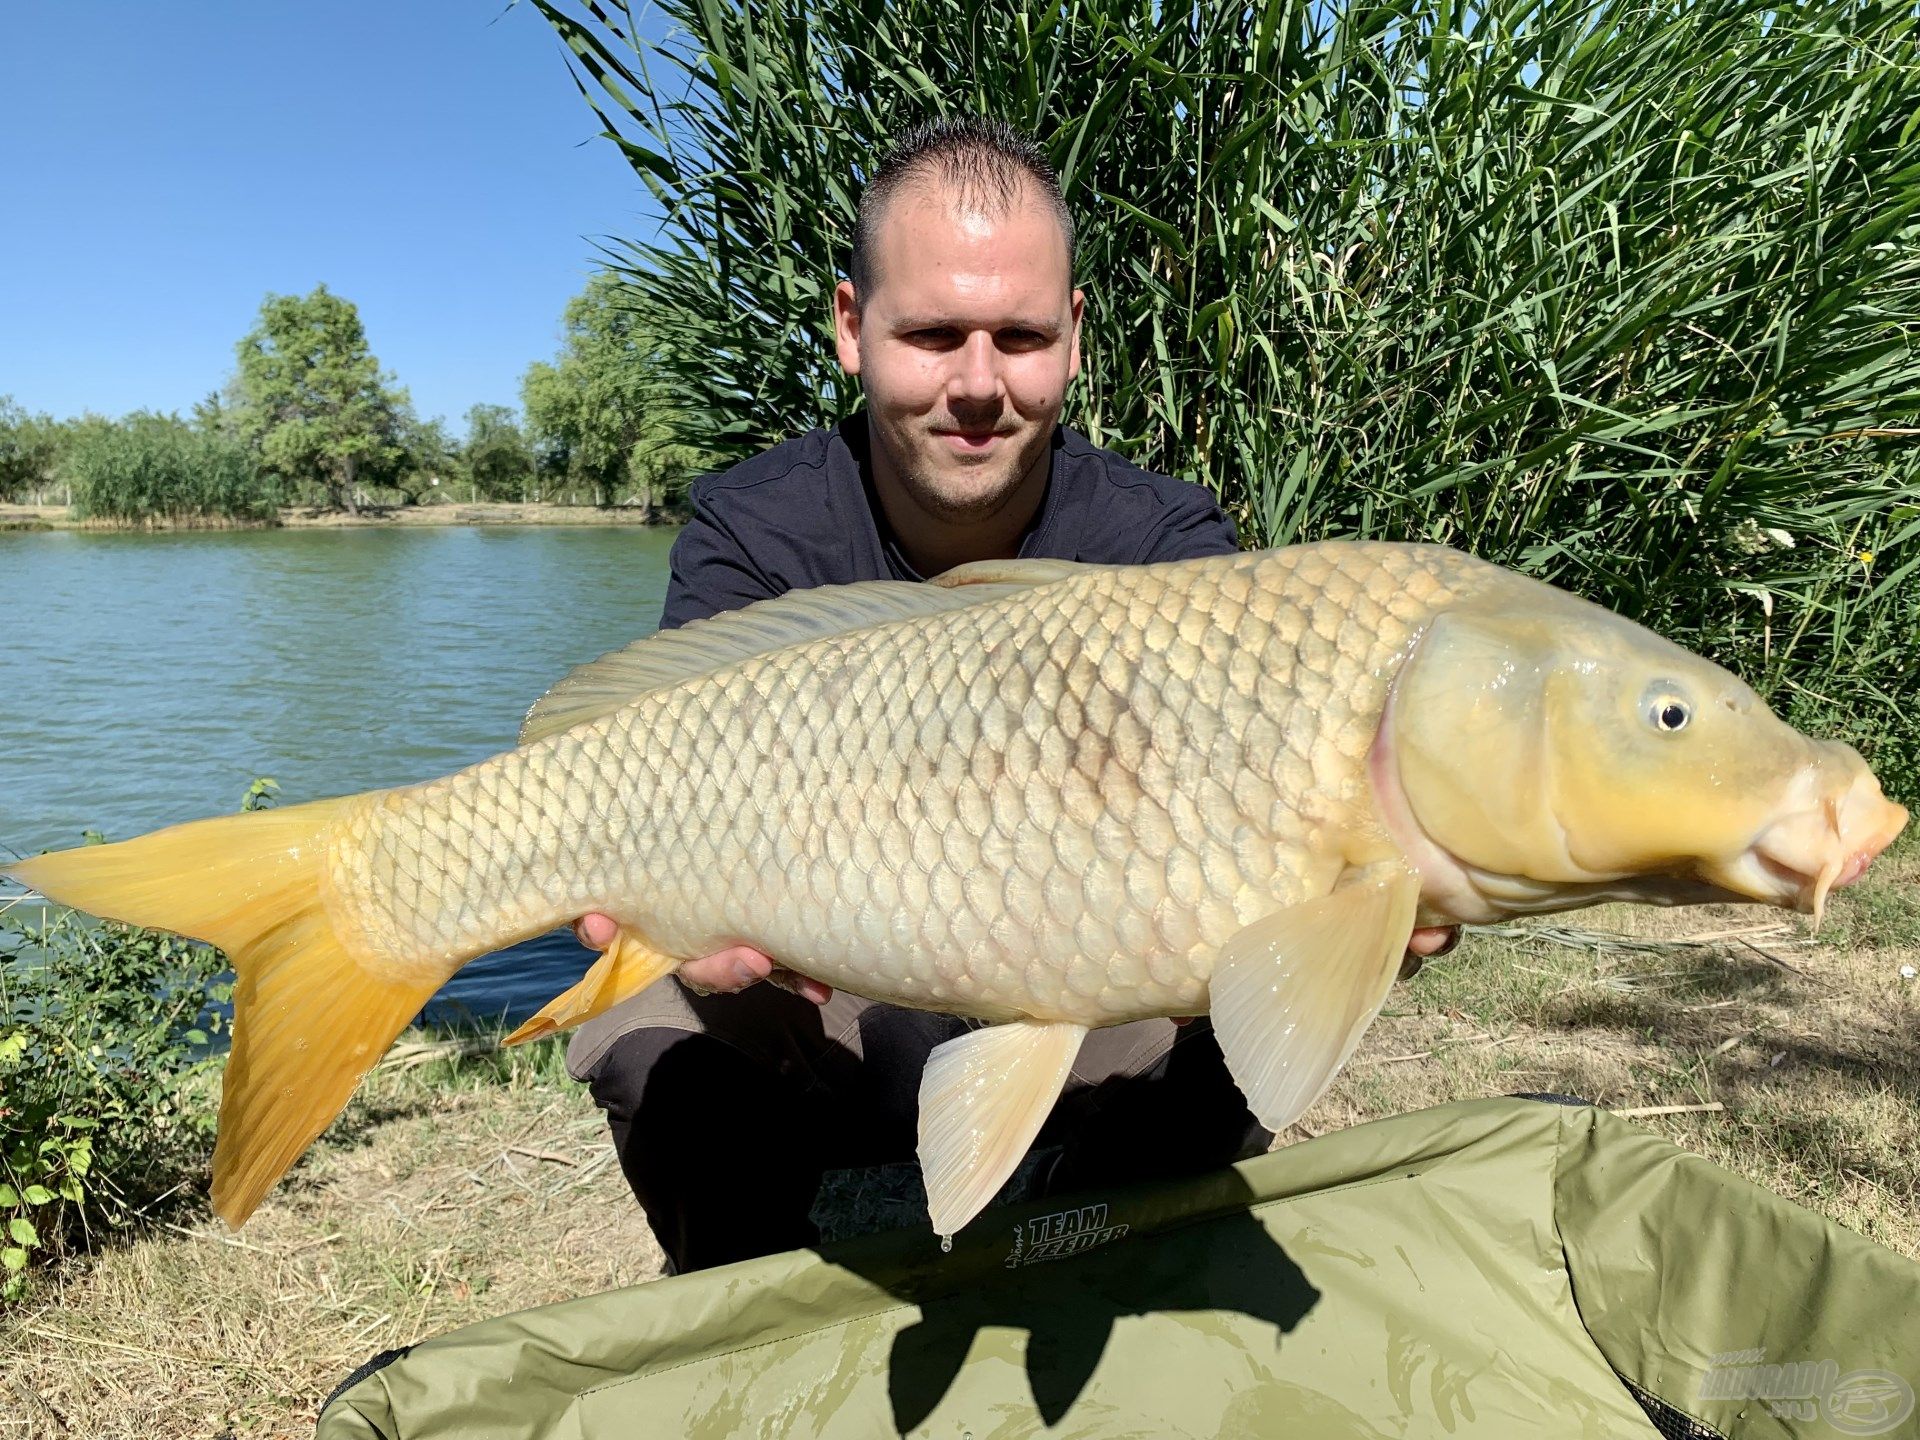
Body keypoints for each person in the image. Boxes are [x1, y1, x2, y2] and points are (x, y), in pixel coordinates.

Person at [566, 117, 1456, 1273]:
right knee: (647, 1029)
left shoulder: (1168, 543)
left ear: (1074, 336)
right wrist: (679, 928)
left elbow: (1242, 862)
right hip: (833, 974)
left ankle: (1100, 1272)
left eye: (1021, 336)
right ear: (851, 327)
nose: (978, 384)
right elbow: (663, 791)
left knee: (1215, 1036)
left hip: (1082, 969)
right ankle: (756, 1313)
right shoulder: (757, 527)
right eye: (932, 334)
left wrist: (1330, 912)